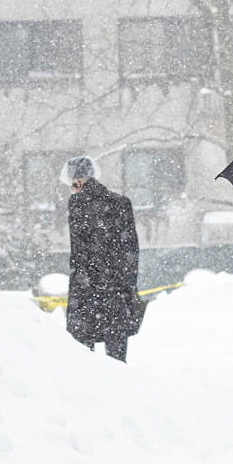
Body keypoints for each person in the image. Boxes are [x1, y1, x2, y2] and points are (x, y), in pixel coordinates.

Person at [62, 155, 144, 362]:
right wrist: (127, 287)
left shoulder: (78, 204)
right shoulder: (121, 202)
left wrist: (84, 285)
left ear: (78, 181)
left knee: (83, 359)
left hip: (88, 291)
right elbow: (131, 250)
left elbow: (80, 252)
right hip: (117, 292)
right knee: (117, 356)